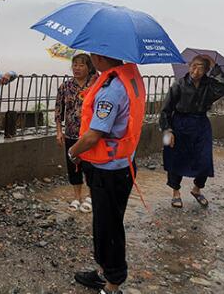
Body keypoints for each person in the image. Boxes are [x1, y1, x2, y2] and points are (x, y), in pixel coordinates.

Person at [67, 54, 146, 294]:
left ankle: (113, 283)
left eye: (92, 55)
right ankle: (103, 271)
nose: (90, 59)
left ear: (100, 57)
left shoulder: (111, 90)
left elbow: (94, 135)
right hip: (123, 163)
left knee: (108, 226)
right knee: (106, 221)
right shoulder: (130, 77)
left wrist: (73, 151)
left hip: (109, 170)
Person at [160, 55, 224, 208]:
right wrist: (168, 131)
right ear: (189, 66)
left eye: (200, 67)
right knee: (176, 158)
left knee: (204, 159)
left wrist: (214, 65)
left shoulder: (210, 86)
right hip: (180, 124)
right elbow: (165, 110)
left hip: (201, 124)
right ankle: (176, 192)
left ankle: (197, 189)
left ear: (206, 70)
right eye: (193, 65)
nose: (195, 70)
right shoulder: (179, 85)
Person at [54, 54, 96, 212]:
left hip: (89, 135)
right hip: (71, 133)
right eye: (75, 65)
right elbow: (59, 111)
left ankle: (91, 197)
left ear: (89, 67)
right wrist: (59, 132)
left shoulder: (94, 85)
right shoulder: (65, 86)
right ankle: (76, 197)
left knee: (90, 166)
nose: (77, 68)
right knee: (73, 166)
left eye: (81, 65)